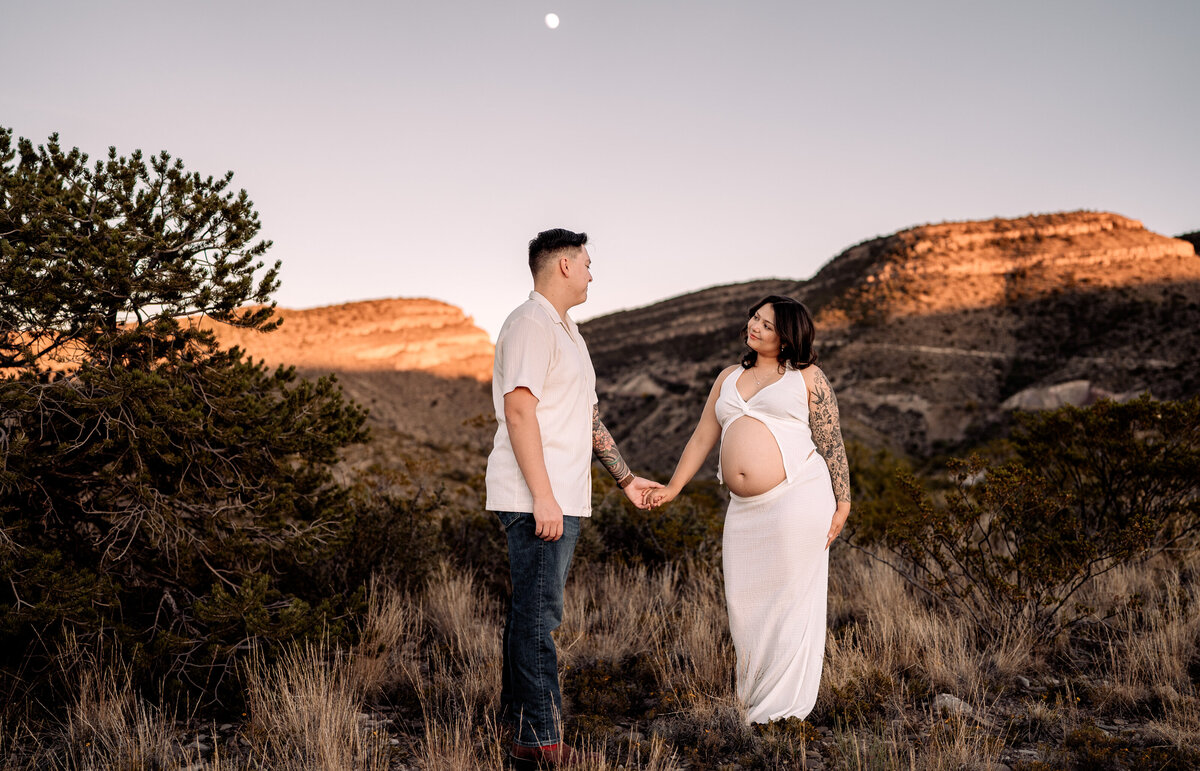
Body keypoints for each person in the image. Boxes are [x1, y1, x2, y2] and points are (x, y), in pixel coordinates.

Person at [486, 228, 661, 766]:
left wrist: (626, 479)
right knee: (540, 619)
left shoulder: (568, 332)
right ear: (563, 265)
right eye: (587, 262)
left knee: (530, 616)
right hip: (536, 497)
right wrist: (543, 497)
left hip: (561, 497)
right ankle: (540, 744)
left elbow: (586, 419)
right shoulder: (530, 323)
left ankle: (518, 730)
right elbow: (519, 411)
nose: (592, 272)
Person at [645, 295, 851, 724]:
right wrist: (673, 488)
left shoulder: (808, 377)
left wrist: (843, 502)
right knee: (746, 603)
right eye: (755, 318)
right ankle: (755, 700)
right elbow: (703, 436)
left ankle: (782, 712)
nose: (755, 326)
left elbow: (832, 442)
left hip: (799, 496)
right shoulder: (727, 377)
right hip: (744, 510)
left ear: (788, 335)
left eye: (768, 324)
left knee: (790, 602)